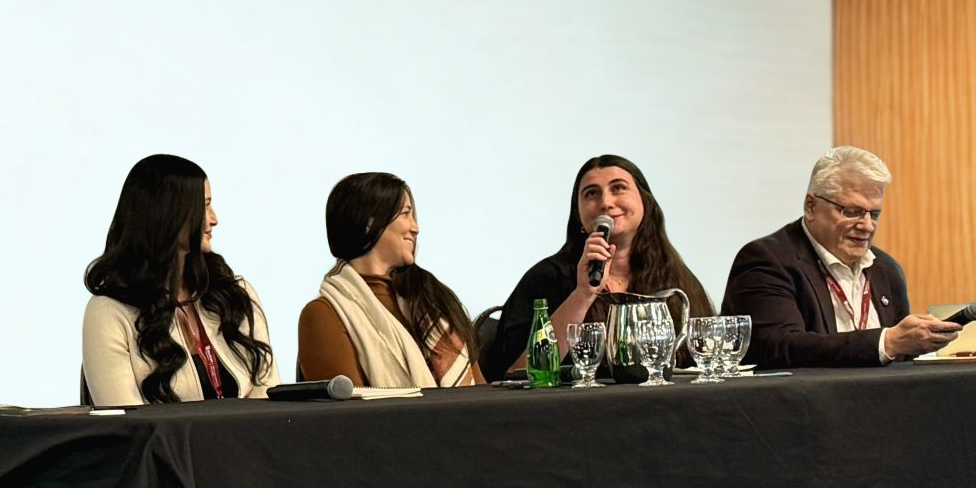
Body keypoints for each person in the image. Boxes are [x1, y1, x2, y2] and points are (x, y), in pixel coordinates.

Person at [723, 146, 958, 367]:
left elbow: (899, 359)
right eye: (852, 212)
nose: (866, 226)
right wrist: (886, 341)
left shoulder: (885, 268)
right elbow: (778, 347)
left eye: (874, 214)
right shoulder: (767, 260)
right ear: (811, 206)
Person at [490, 153, 715, 376]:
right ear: (578, 215)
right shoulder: (545, 278)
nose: (606, 203)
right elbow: (518, 372)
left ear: (645, 201)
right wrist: (582, 295)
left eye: (618, 188)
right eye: (591, 194)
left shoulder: (675, 276)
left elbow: (707, 361)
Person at [82, 154, 279, 405]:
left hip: (246, 443)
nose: (214, 219)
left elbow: (269, 393)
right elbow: (127, 427)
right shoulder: (108, 313)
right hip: (165, 446)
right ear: (168, 215)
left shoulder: (235, 294)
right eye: (205, 206)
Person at [296, 172, 481, 388]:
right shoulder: (323, 315)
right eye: (405, 214)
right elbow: (348, 415)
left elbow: (480, 390)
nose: (415, 227)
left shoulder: (433, 300)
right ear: (369, 223)